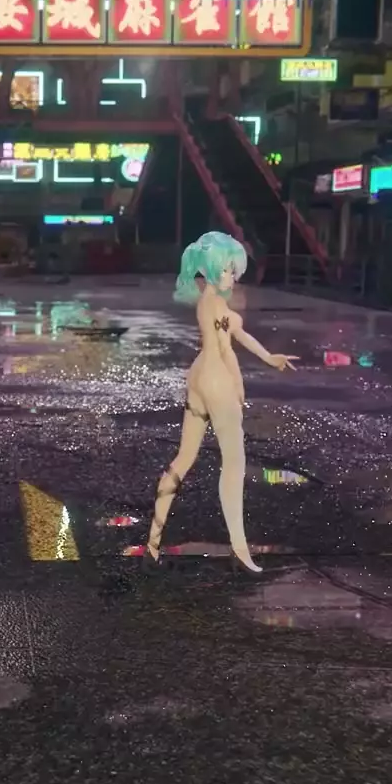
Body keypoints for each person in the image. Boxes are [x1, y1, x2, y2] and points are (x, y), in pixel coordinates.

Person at [146, 231, 300, 574]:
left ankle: (153, 544)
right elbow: (224, 348)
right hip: (216, 378)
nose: (234, 276)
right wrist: (237, 384)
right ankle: (240, 551)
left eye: (234, 270)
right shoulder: (213, 304)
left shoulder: (212, 302)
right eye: (229, 269)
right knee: (234, 463)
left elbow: (237, 334)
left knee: (184, 458)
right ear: (215, 268)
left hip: (199, 377)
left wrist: (268, 357)